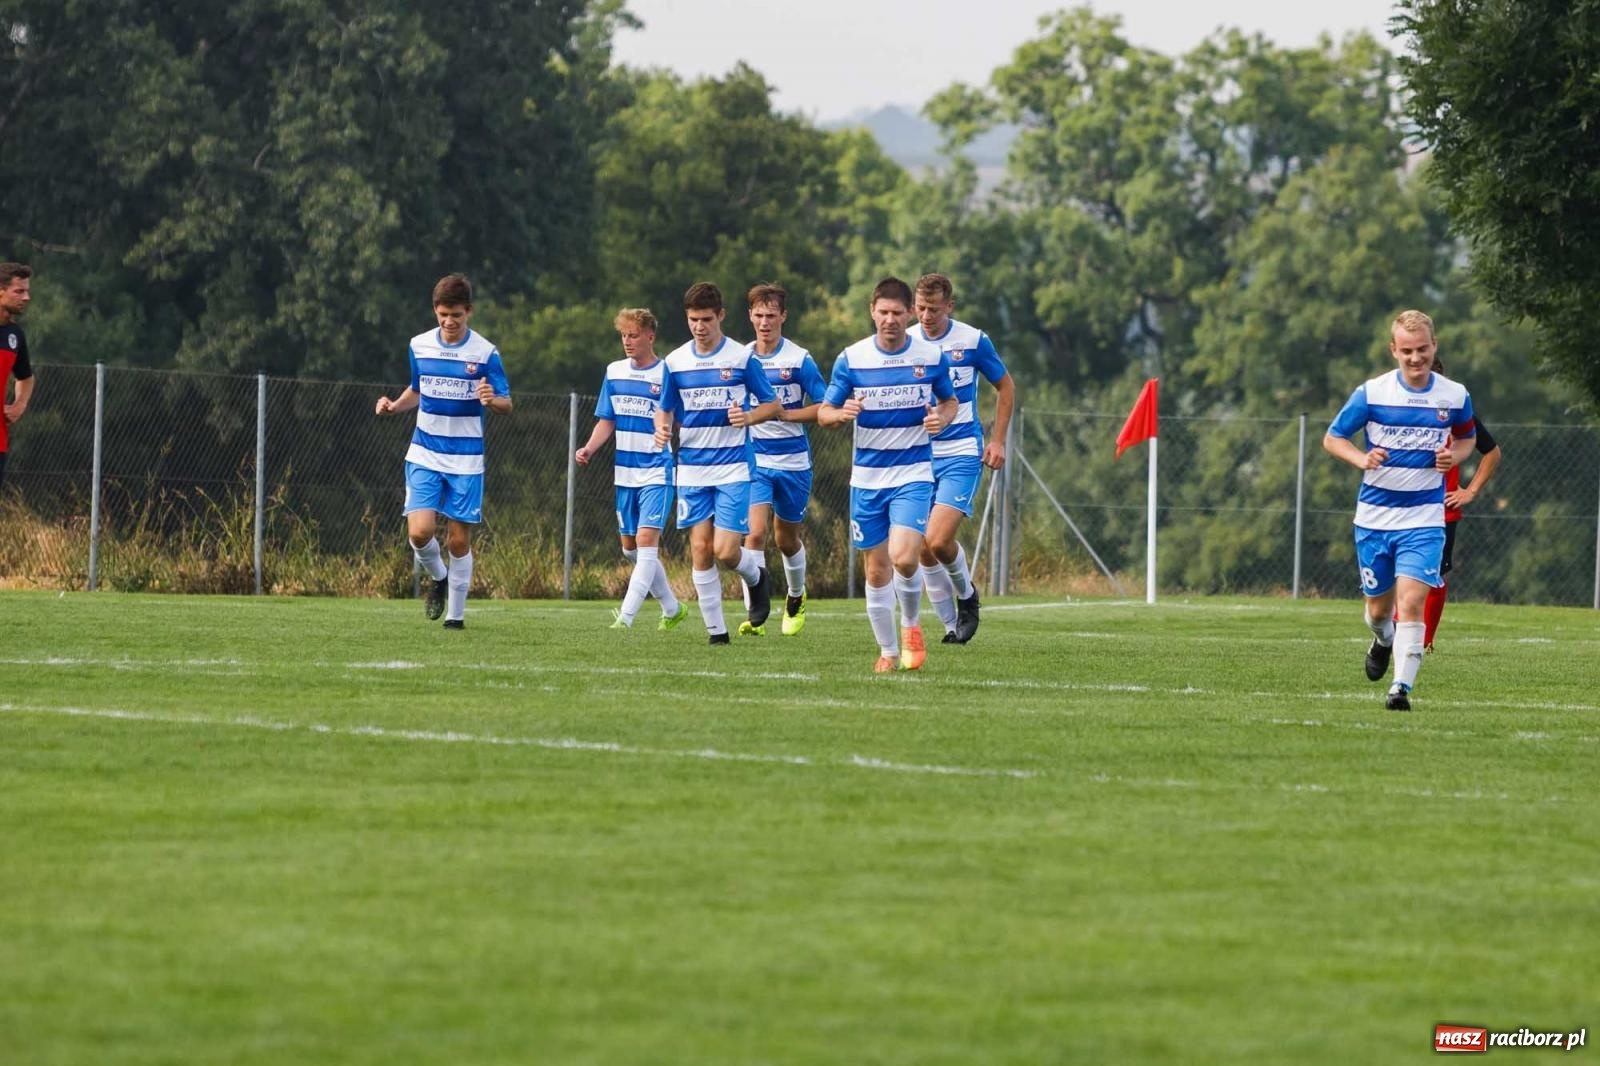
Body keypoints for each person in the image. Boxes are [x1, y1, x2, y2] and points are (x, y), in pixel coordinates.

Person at [1323, 310, 1476, 711]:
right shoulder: (1372, 393)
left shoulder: (1455, 395)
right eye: (1407, 350)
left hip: (1424, 519)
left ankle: (1400, 689)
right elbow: (1333, 438)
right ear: (1394, 350)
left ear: (1434, 346)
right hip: (1374, 520)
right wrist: (1362, 458)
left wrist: (1453, 456)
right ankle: (1382, 638)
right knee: (1378, 610)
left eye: (1422, 349)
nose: (1415, 357)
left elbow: (1468, 438)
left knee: (1410, 603)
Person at [818, 276, 957, 672]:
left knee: (904, 558)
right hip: (867, 480)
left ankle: (911, 624)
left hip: (913, 474)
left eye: (897, 312)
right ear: (872, 312)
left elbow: (950, 402)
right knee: (876, 570)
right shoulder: (852, 359)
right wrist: (841, 414)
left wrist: (941, 419)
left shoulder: (930, 357)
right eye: (883, 312)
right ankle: (889, 652)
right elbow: (824, 412)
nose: (890, 319)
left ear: (909, 313)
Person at [375, 273, 511, 629]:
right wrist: (394, 406)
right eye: (443, 315)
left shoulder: (485, 353)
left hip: (466, 460)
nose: (449, 321)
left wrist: (491, 400)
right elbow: (417, 389)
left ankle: (455, 617)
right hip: (424, 452)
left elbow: (506, 402)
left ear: (469, 312)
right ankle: (439, 577)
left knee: (458, 540)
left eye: (456, 315)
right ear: (435, 311)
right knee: (419, 533)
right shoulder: (419, 345)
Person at [652, 282, 781, 645]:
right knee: (700, 549)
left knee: (725, 550)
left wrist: (748, 417)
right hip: (692, 468)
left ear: (720, 316)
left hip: (733, 466)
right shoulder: (675, 362)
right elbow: (665, 408)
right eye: (693, 319)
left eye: (706, 319)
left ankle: (756, 578)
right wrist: (662, 428)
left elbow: (772, 404)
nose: (700, 326)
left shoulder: (741, 358)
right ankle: (717, 634)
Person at [907, 273, 1015, 644]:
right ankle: (952, 627)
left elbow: (1005, 387)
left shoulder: (972, 340)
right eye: (920, 308)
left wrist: (997, 441)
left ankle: (967, 596)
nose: (926, 316)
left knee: (937, 541)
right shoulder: (906, 343)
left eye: (934, 309)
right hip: (917, 456)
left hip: (961, 451)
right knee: (922, 548)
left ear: (949, 307)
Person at [576, 308, 689, 632]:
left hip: (657, 470)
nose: (627, 341)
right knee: (630, 549)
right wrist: (589, 448)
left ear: (650, 337)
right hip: (624, 473)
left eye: (634, 335)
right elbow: (607, 420)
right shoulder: (614, 372)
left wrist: (672, 434)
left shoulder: (667, 373)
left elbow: (681, 419)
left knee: (645, 541)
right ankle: (672, 608)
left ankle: (625, 619)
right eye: (624, 335)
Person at [738, 282, 828, 637]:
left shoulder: (799, 359)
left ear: (783, 317)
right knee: (754, 534)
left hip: (793, 462)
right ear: (750, 316)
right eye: (759, 315)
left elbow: (825, 406)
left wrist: (788, 415)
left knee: (785, 539)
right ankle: (756, 612)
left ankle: (795, 594)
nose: (765, 322)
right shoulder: (741, 358)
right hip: (755, 459)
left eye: (771, 316)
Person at [1412, 354, 1503, 650]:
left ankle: (1425, 641)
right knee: (1400, 574)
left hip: (1443, 511)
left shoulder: (1456, 412)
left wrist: (1470, 491)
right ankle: (1397, 631)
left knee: (1434, 575)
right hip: (1404, 506)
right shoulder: (1402, 409)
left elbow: (1492, 453)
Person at [0, 263, 36, 489]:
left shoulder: (15, 335)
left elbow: (26, 377)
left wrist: (19, 405)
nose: (26, 297)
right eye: (19, 291)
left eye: (27, 291)